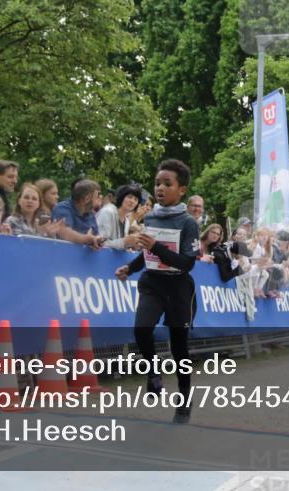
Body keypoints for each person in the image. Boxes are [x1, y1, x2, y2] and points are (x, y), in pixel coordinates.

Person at [115, 159, 200, 424]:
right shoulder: (149, 216)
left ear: (181, 190)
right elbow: (146, 251)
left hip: (178, 286)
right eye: (157, 183)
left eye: (167, 184)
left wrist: (157, 247)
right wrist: (129, 268)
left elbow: (187, 262)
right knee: (141, 329)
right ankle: (153, 371)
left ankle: (184, 401)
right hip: (152, 282)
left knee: (179, 349)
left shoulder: (188, 223)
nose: (160, 188)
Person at [50, 179, 104, 249]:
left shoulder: (90, 214)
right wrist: (87, 239)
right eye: (97, 196)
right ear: (87, 199)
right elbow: (64, 232)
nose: (100, 198)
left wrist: (97, 240)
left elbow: (95, 236)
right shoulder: (62, 208)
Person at [96, 183, 142, 250]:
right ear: (121, 197)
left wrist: (132, 245)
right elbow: (99, 243)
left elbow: (119, 246)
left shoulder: (126, 221)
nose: (132, 201)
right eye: (129, 197)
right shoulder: (107, 212)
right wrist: (125, 241)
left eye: (136, 199)